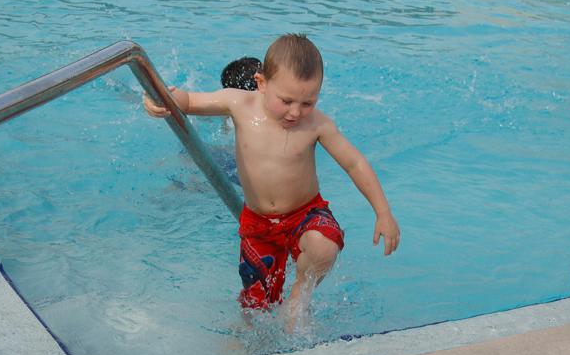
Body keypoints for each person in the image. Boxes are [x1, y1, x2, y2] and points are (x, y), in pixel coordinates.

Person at [144, 33, 400, 314]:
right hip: (258, 224)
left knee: (325, 244)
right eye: (287, 100)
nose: (295, 112)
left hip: (305, 213)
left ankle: (299, 296)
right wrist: (164, 99)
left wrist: (383, 212)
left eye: (308, 103)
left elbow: (354, 163)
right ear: (262, 84)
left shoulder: (318, 125)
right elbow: (190, 100)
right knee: (256, 306)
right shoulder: (239, 104)